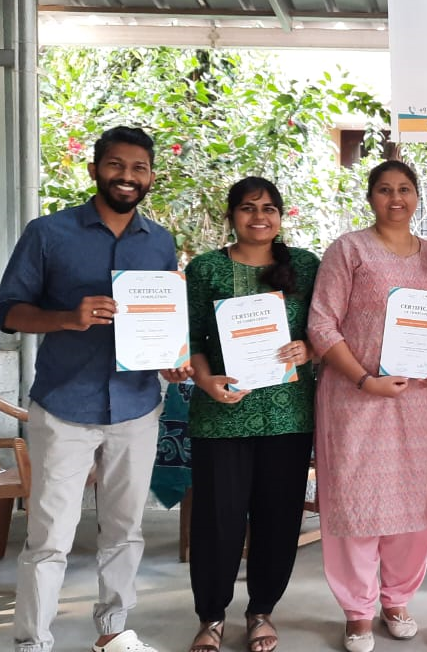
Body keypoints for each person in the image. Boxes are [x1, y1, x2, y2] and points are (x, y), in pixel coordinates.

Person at [0, 126, 190, 652]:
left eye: (139, 168)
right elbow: (7, 312)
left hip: (136, 406)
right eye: (117, 165)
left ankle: (113, 632)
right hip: (64, 408)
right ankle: (32, 641)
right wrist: (66, 318)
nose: (128, 176)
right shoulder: (48, 233)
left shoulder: (161, 242)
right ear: (94, 169)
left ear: (150, 176)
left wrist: (170, 360)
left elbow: (163, 321)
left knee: (125, 531)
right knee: (49, 538)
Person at [306, 161, 427, 652]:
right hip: (356, 397)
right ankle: (357, 609)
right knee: (354, 502)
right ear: (370, 197)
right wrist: (366, 380)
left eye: (405, 189)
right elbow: (323, 326)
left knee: (415, 503)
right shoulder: (349, 250)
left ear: (417, 197)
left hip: (420, 402)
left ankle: (397, 599)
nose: (396, 198)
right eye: (385, 190)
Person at [184, 177, 318, 652]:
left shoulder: (304, 265)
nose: (259, 216)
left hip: (289, 416)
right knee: (217, 520)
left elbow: (324, 328)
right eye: (247, 208)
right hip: (221, 415)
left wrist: (310, 348)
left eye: (268, 208)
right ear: (232, 215)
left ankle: (261, 610)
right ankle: (211, 616)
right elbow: (193, 339)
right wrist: (204, 380)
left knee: (278, 518)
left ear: (281, 216)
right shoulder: (205, 269)